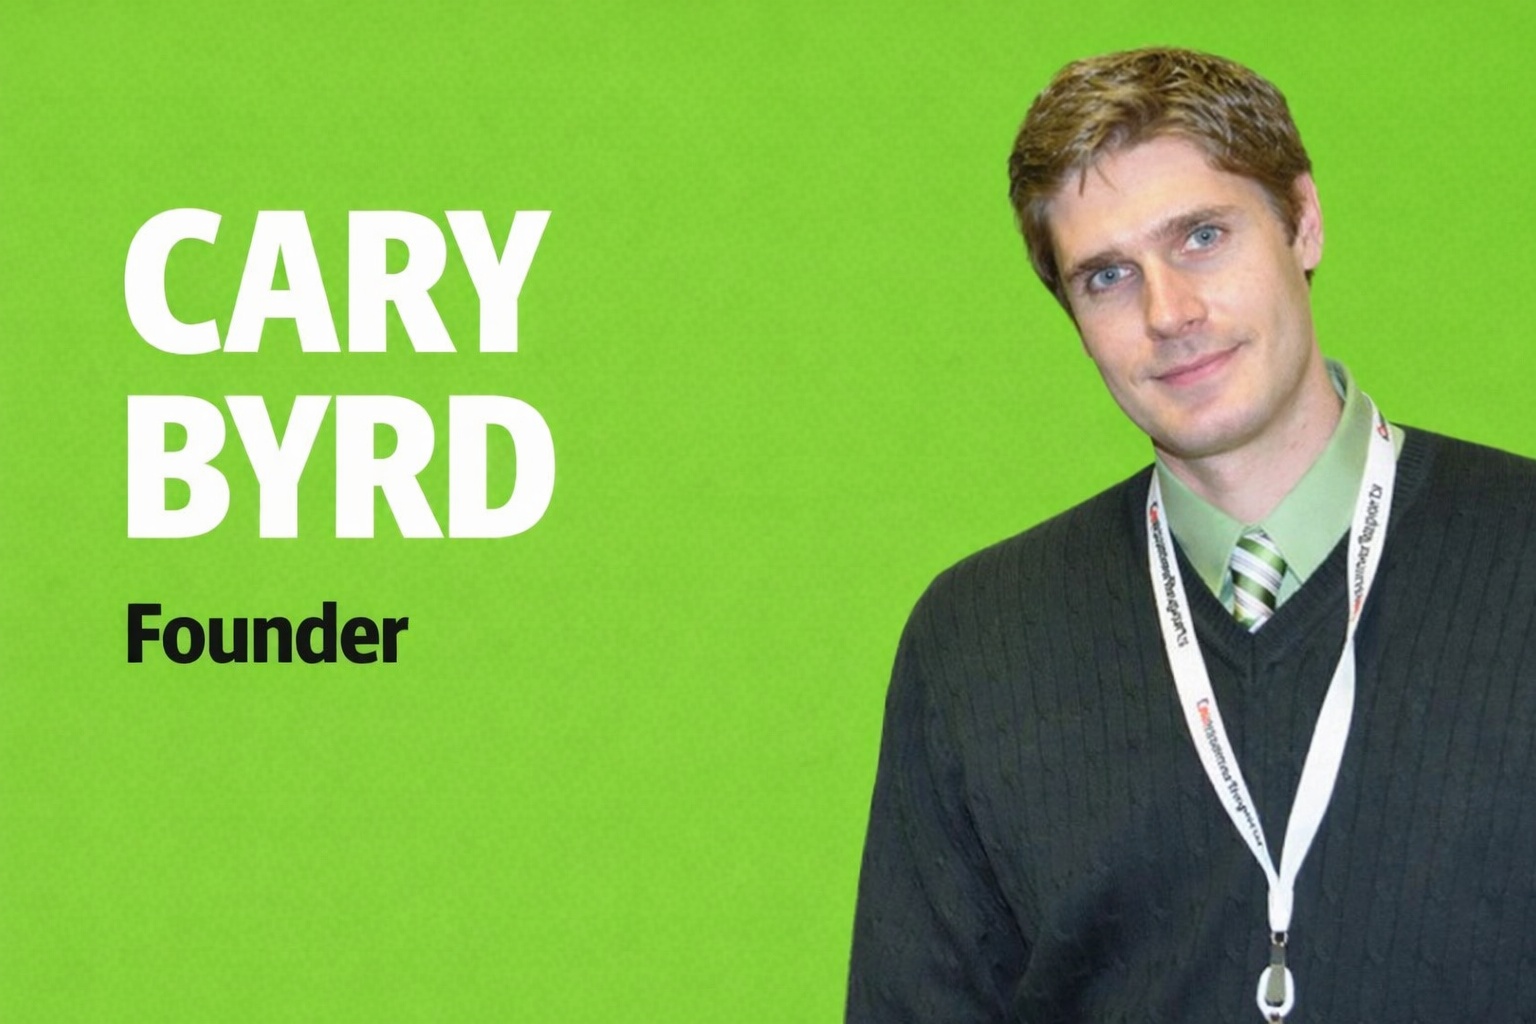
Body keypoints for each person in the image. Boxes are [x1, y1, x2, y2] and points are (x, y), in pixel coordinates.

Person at [846, 47, 1536, 1023]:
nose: (1168, 312)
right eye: (1107, 276)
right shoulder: (976, 642)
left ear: (1303, 220)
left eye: (1203, 236)